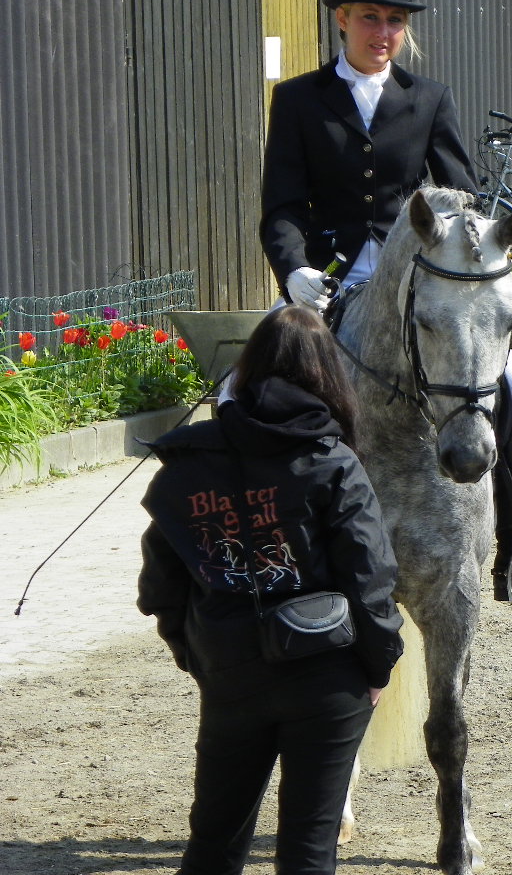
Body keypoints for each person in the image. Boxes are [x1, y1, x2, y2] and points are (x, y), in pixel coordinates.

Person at [258, 0, 512, 604]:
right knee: (244, 388)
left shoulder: (428, 98)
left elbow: (464, 198)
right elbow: (282, 207)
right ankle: (264, 547)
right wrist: (294, 270)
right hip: (329, 282)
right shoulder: (298, 100)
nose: (383, 32)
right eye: (371, 18)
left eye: (395, 20)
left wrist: (468, 255)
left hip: (420, 281)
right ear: (343, 20)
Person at [137, 305, 405, 874]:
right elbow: (369, 576)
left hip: (229, 669)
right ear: (327, 374)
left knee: (213, 841)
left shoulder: (186, 464)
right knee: (309, 847)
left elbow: (161, 585)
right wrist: (378, 666)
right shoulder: (332, 460)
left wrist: (199, 655)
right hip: (328, 670)